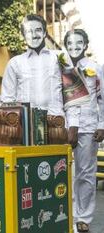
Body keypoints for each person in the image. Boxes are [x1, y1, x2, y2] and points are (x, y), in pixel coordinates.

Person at [64, 29, 104, 233]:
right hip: (63, 127)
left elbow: (102, 98)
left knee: (86, 174)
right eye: (70, 43)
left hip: (88, 127)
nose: (74, 47)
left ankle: (83, 217)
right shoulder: (60, 67)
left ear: (86, 44)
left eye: (78, 43)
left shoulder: (95, 68)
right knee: (62, 172)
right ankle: (65, 213)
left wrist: (102, 124)